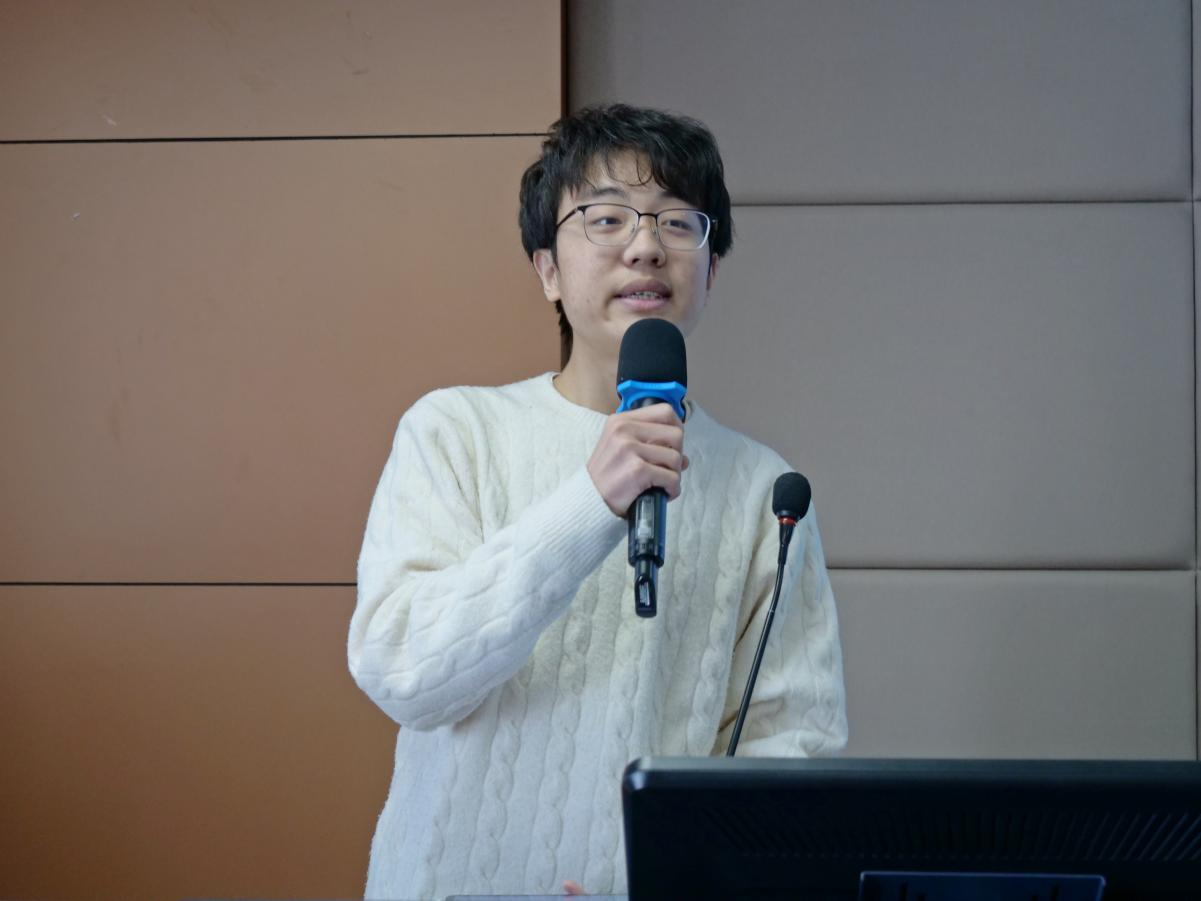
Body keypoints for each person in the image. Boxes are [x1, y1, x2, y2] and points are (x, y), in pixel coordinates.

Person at [348, 103, 847, 900]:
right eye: (606, 218)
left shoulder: (764, 488)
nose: (645, 246)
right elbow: (404, 671)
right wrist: (589, 503)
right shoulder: (454, 431)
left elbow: (791, 750)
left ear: (711, 269)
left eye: (677, 222)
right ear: (547, 267)